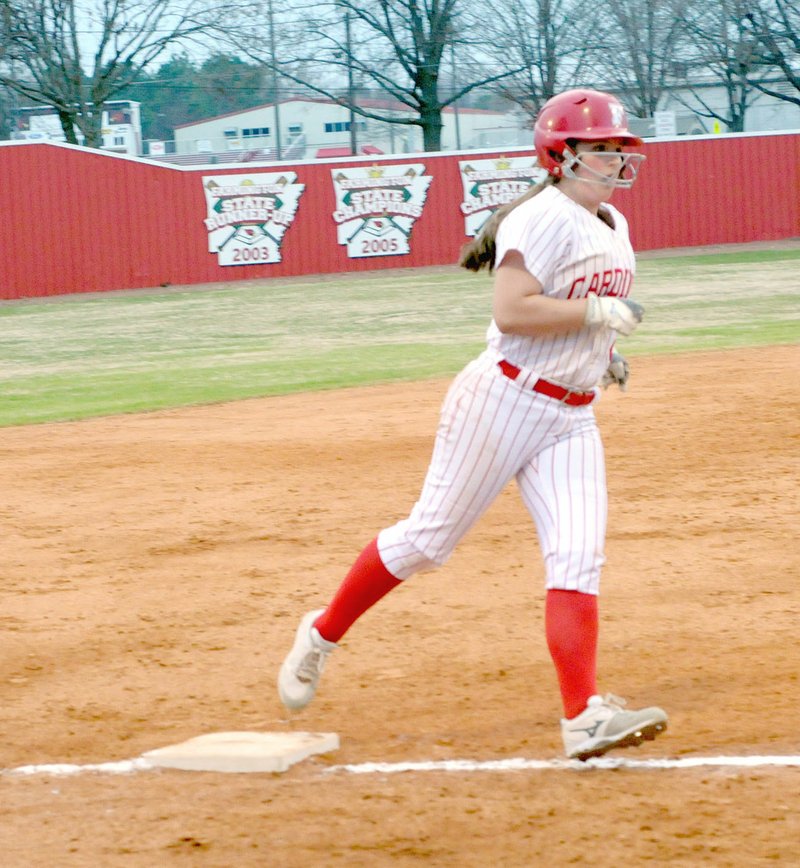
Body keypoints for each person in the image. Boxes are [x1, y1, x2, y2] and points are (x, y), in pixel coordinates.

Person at [277, 88, 668, 761]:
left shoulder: (613, 222)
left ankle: (583, 718)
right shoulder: (544, 219)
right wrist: (596, 318)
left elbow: (577, 305)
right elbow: (516, 312)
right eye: (600, 146)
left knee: (578, 556)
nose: (614, 157)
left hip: (571, 417)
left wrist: (602, 355)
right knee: (427, 542)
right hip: (503, 401)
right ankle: (321, 633)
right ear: (562, 154)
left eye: (617, 146)